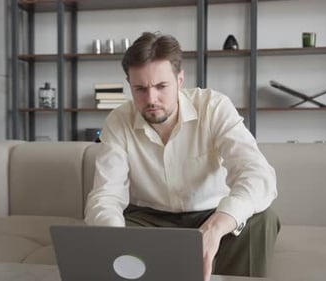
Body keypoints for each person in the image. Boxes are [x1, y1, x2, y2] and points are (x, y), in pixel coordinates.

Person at [85, 31, 280, 281]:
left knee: (262, 221)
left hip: (212, 212)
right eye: (140, 89)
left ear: (179, 80)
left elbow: (257, 174)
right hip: (149, 219)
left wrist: (216, 227)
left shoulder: (214, 107)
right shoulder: (118, 121)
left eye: (161, 86)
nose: (151, 99)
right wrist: (116, 240)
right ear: (129, 84)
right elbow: (106, 194)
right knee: (102, 233)